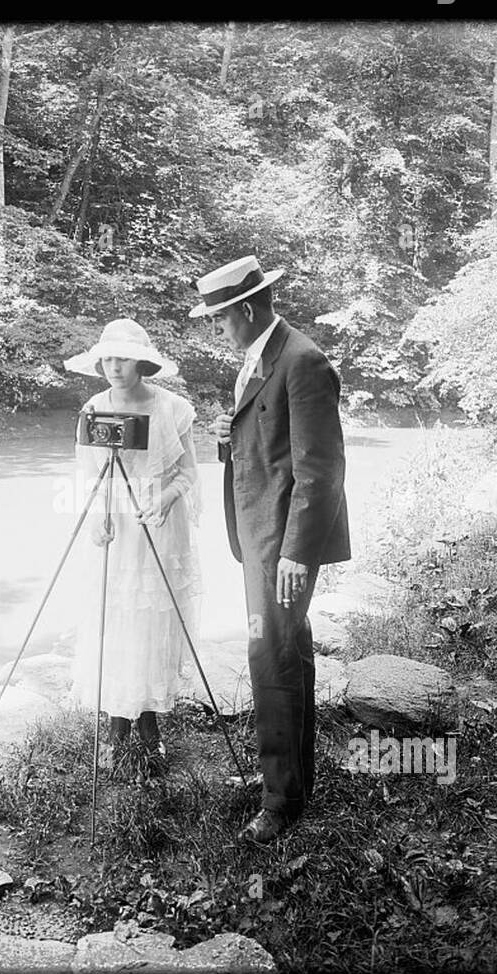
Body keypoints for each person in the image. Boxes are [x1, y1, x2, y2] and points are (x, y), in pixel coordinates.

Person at [189, 255, 350, 844]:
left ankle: (280, 803)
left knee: (269, 655)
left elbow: (322, 471)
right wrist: (232, 440)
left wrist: (295, 554)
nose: (217, 330)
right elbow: (272, 439)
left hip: (283, 543)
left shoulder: (302, 361)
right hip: (261, 536)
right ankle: (292, 782)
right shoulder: (263, 356)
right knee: (286, 651)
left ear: (248, 310)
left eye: (221, 320)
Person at [63, 318, 202, 774]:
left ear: (141, 362)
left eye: (122, 358)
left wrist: (162, 500)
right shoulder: (92, 408)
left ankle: (148, 725)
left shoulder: (173, 409)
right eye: (107, 358)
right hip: (116, 531)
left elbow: (188, 473)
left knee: (151, 622)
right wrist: (96, 521)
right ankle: (114, 724)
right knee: (115, 620)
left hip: (157, 526)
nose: (113, 367)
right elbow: (87, 478)